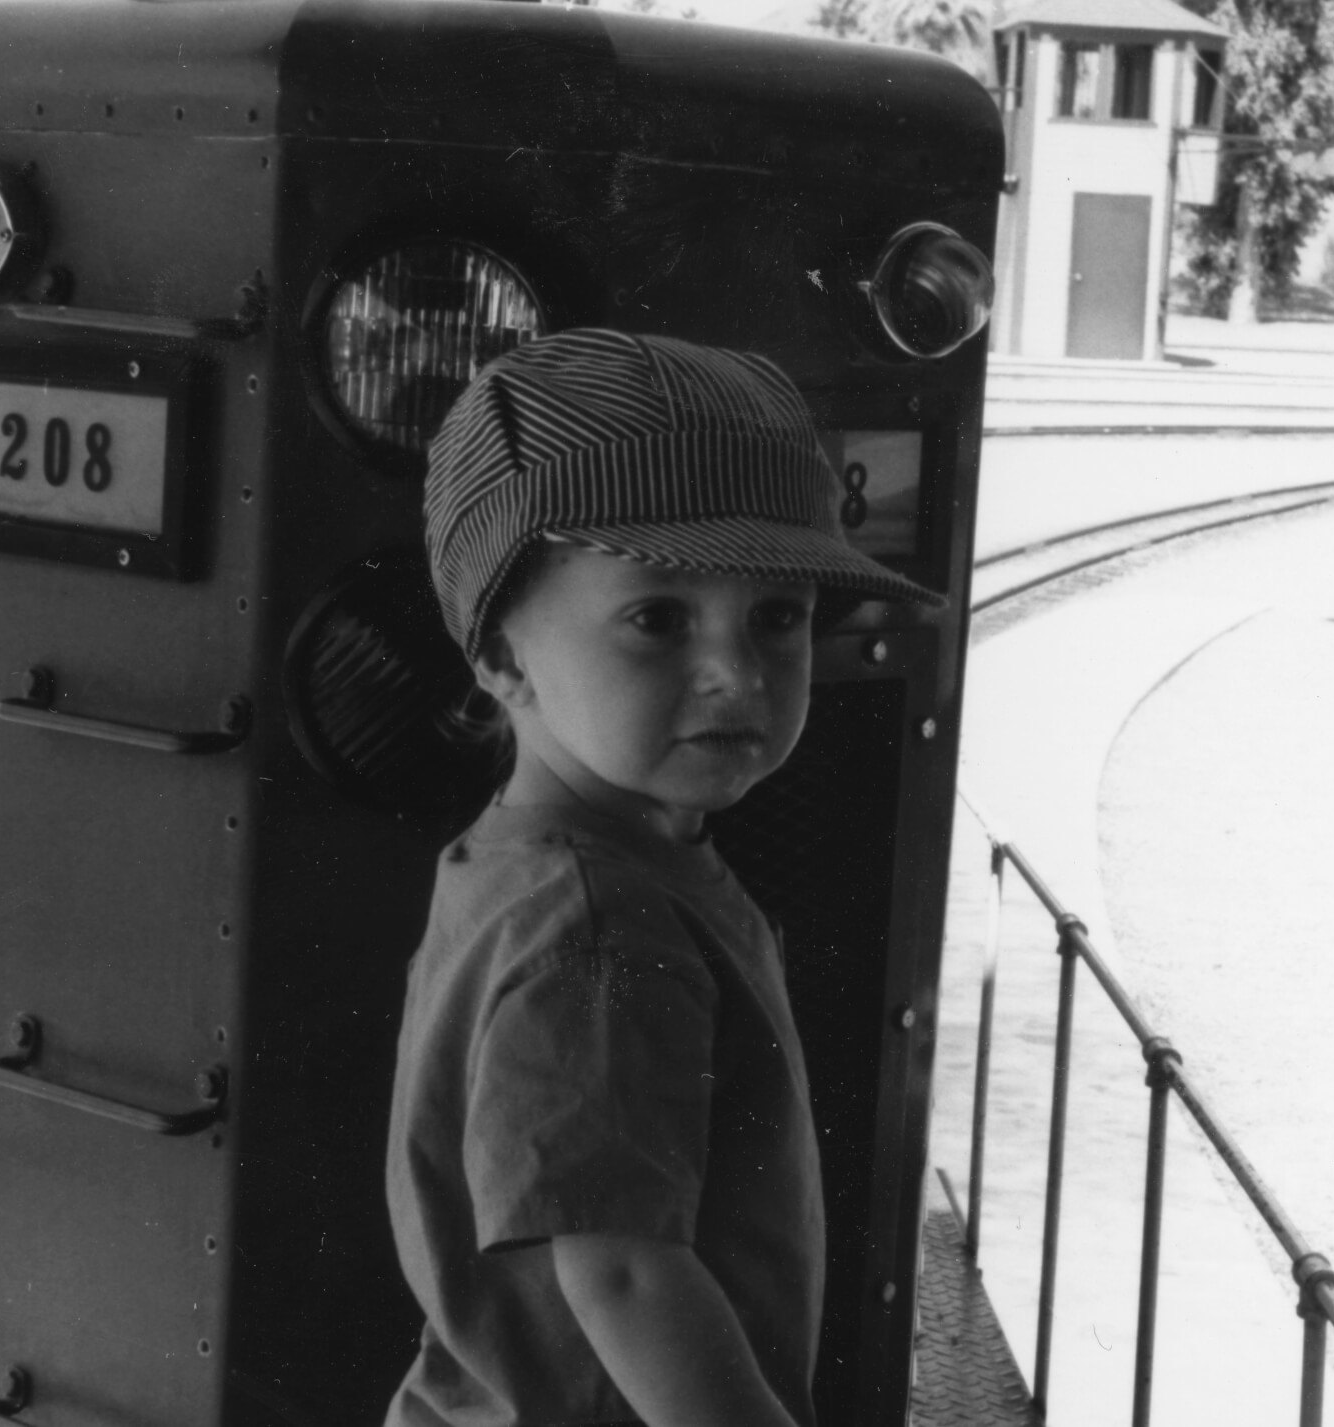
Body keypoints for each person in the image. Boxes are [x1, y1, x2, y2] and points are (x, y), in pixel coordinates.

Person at [382, 328, 942, 1427]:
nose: (736, 672)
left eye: (776, 616)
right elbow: (625, 1272)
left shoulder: (546, 863)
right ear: (502, 654)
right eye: (657, 617)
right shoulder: (598, 923)